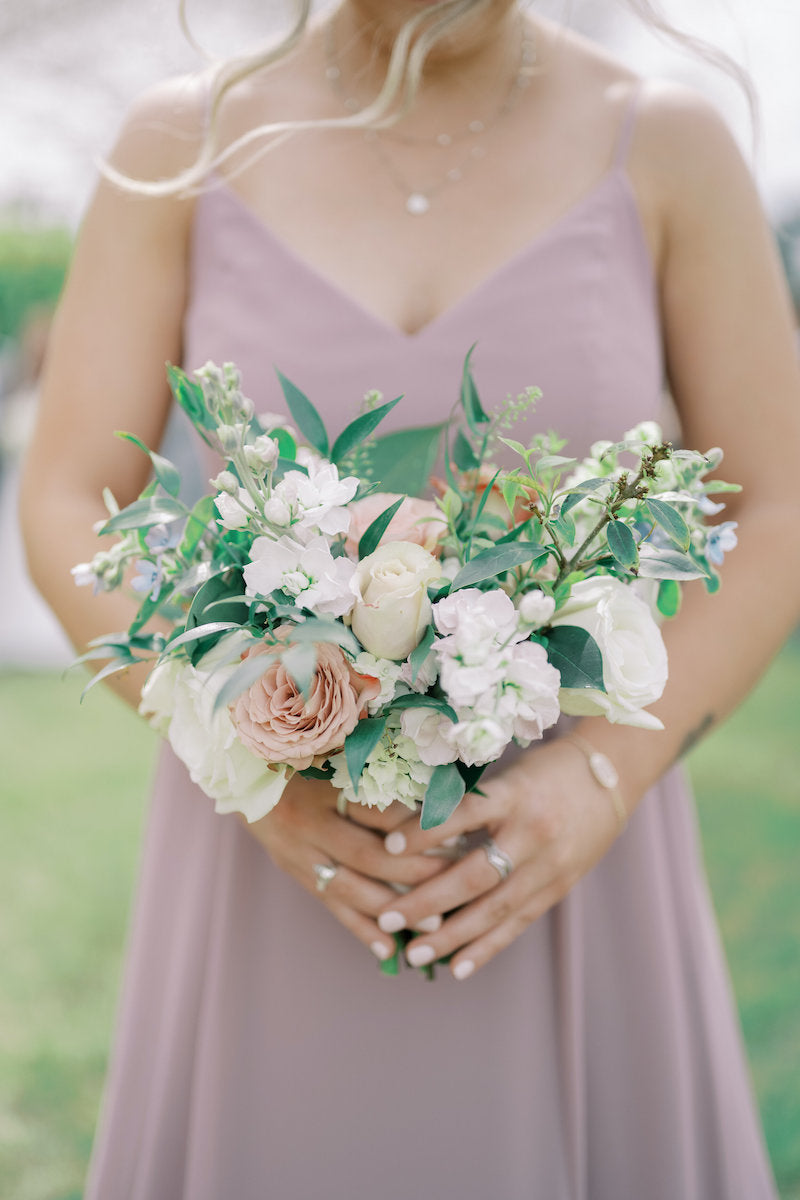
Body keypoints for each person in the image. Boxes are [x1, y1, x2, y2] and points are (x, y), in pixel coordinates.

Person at [20, 1, 800, 1196]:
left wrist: (599, 780)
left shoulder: (664, 145)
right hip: (276, 855)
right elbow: (70, 491)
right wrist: (235, 738)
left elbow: (777, 503)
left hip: (571, 860)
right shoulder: (185, 143)